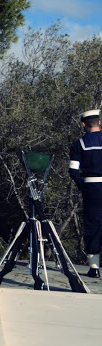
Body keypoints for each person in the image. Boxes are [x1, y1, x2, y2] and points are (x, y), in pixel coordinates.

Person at [69, 109, 102, 278]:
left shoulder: (79, 144)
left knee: (93, 225)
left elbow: (73, 170)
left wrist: (84, 186)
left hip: (92, 188)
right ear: (100, 122)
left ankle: (94, 268)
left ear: (83, 124)